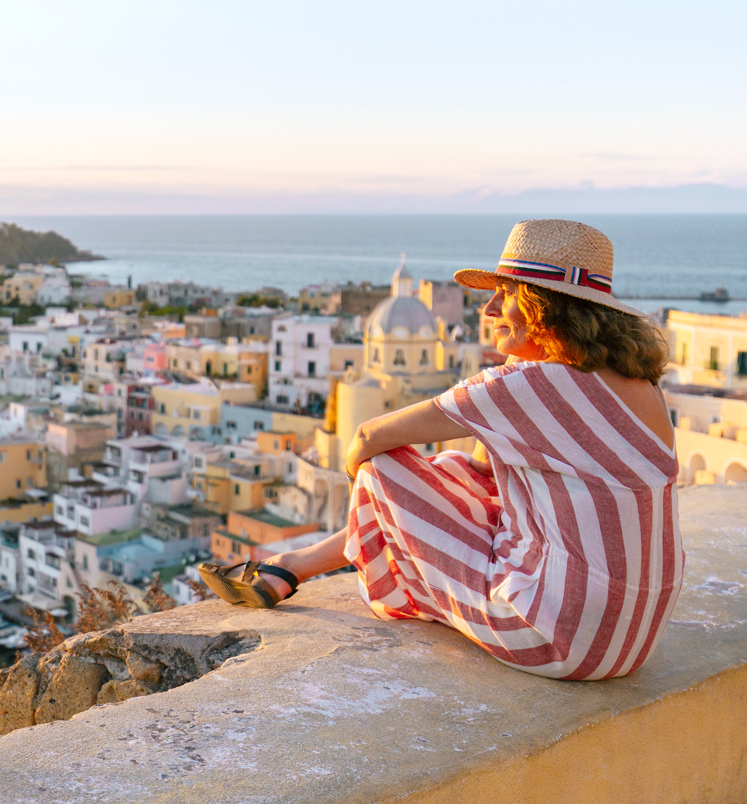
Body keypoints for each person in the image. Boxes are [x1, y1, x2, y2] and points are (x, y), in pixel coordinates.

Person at [200, 219, 683, 680]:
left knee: (382, 467)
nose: (488, 309)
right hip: (633, 638)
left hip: (556, 636)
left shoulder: (531, 384)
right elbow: (480, 473)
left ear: (548, 308)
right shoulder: (643, 386)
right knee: (456, 470)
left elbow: (368, 439)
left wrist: (371, 493)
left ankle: (291, 569)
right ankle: (292, 566)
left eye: (506, 295)